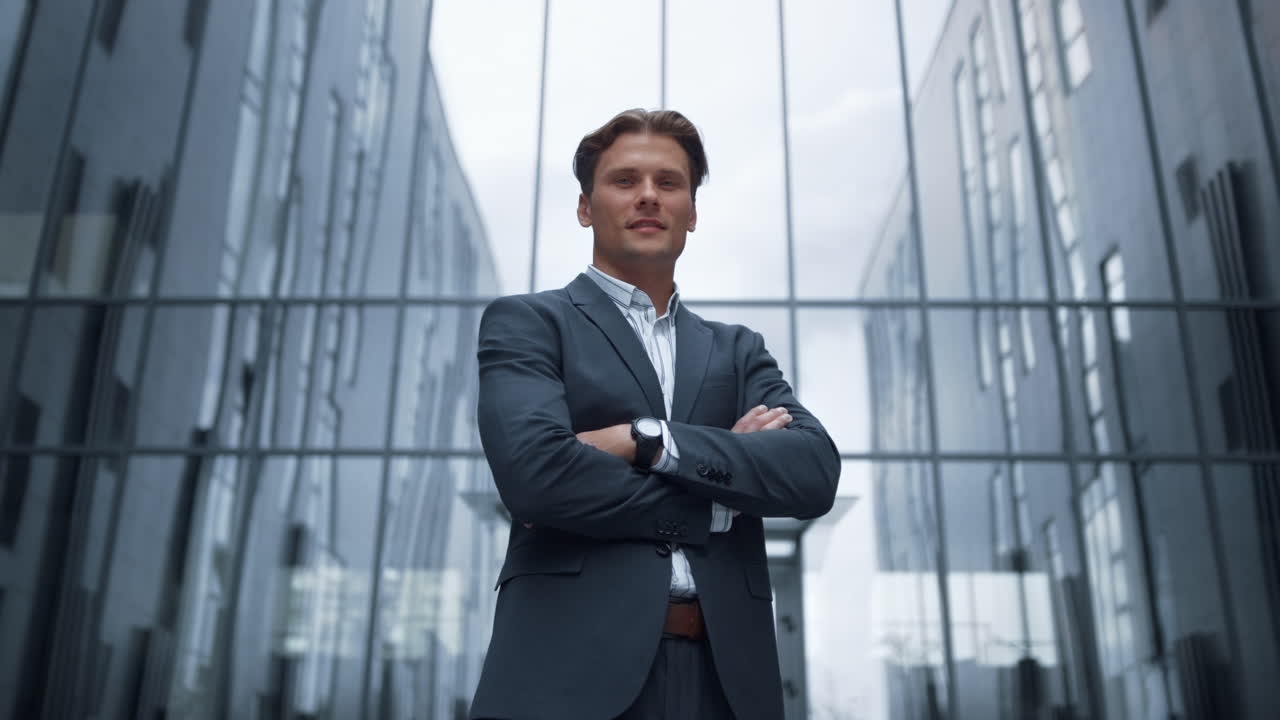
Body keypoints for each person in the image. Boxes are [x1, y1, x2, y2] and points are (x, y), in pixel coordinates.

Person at [469, 108, 840, 720]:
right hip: (564, 676)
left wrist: (646, 439)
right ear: (585, 207)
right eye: (625, 180)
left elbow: (812, 473)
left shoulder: (738, 350)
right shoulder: (530, 323)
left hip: (728, 683)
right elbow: (536, 476)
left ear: (691, 212)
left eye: (669, 183)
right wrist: (719, 496)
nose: (648, 195)